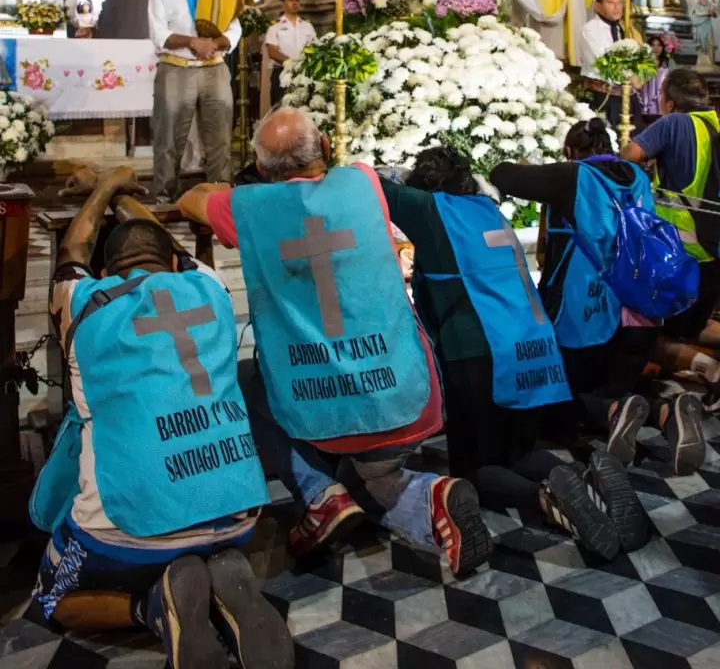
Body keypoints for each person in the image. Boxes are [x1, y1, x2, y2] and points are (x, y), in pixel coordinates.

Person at [178, 110, 492, 578]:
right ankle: (430, 496)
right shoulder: (364, 182)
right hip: (406, 392)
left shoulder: (247, 206)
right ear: (325, 146)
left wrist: (234, 189)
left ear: (262, 169)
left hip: (318, 407)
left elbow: (190, 199)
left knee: (243, 383)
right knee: (373, 480)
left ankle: (316, 494)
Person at [31, 167, 292, 669]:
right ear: (177, 262)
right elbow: (163, 243)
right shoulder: (209, 287)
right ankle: (214, 574)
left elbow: (71, 253)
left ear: (103, 274)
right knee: (203, 526)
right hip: (240, 514)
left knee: (52, 600)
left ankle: (151, 606)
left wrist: (105, 187)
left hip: (128, 530)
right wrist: (128, 193)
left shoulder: (83, 302)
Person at [381, 146, 647, 559]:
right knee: (517, 451)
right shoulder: (487, 209)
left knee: (476, 469)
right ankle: (582, 478)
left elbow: (370, 185)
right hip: (535, 344)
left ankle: (546, 499)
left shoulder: (432, 211)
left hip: (479, 347)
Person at [491, 119, 705, 477]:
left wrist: (539, 170)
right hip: (640, 312)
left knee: (558, 401)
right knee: (612, 392)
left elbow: (502, 175)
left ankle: (623, 416)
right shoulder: (636, 175)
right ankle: (664, 413)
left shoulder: (571, 177)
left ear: (570, 152)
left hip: (584, 313)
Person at [621, 68, 720, 359]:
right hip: (714, 253)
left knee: (654, 334)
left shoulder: (673, 123)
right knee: (695, 326)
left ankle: (708, 375)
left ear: (671, 102)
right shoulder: (715, 124)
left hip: (681, 257)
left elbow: (628, 156)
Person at [148, 0, 241, 202]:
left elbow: (234, 30)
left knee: (220, 139)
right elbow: (158, 33)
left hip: (214, 69)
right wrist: (192, 42)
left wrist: (214, 43)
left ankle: (220, 197)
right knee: (168, 139)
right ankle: (163, 199)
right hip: (176, 69)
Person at [580, 0, 636, 130]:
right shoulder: (591, 29)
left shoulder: (621, 28)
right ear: (598, 6)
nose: (617, 7)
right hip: (602, 95)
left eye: (619, 3)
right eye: (611, 3)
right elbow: (604, 61)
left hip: (625, 95)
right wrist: (630, 74)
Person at [264, 0, 317, 107]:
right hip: (282, 73)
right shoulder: (275, 27)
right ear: (283, 3)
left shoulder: (307, 26)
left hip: (304, 74)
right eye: (290, 0)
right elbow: (272, 51)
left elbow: (314, 47)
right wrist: (291, 62)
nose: (294, 3)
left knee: (303, 110)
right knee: (281, 110)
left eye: (297, 0)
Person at [638, 34, 674, 116]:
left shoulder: (666, 68)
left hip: (660, 105)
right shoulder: (643, 65)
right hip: (644, 100)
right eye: (653, 45)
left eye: (659, 45)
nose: (656, 48)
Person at [690, 0, 717, 67]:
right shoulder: (696, 4)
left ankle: (710, 62)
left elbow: (715, 15)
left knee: (710, 42)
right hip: (700, 26)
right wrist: (708, 12)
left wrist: (713, 13)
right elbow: (697, 13)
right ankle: (702, 63)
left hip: (708, 25)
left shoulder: (710, 4)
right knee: (702, 44)